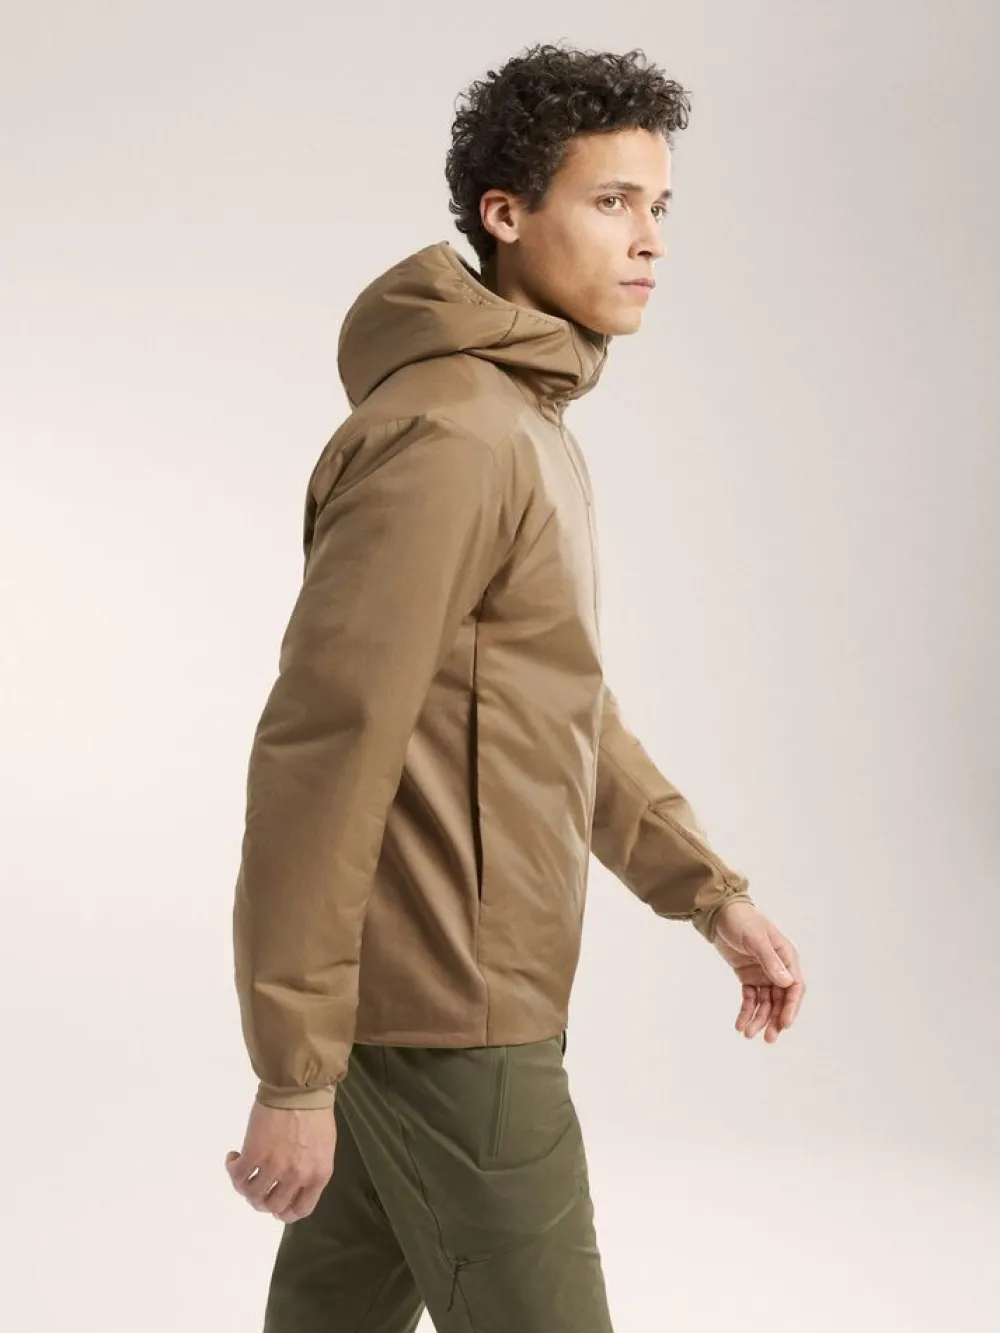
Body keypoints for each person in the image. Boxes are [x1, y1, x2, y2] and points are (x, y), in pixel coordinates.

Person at [224, 41, 806, 1332]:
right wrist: (294, 1070)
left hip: (429, 1009)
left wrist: (710, 895)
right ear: (505, 214)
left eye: (661, 206)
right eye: (612, 201)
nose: (650, 239)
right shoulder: (458, 433)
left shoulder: (519, 420)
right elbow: (327, 745)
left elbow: (558, 707)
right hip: (455, 1032)